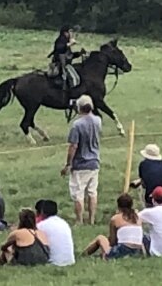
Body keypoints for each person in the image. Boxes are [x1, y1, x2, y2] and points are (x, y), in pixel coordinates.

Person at [61, 94, 101, 225]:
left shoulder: (77, 125)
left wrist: (68, 164)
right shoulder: (97, 121)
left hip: (80, 163)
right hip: (94, 161)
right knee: (92, 192)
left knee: (78, 194)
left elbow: (73, 145)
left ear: (79, 108)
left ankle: (79, 220)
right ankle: (92, 219)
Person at [82, 193, 144, 260]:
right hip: (138, 250)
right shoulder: (138, 218)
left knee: (100, 238)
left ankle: (83, 255)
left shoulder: (115, 218)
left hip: (123, 250)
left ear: (118, 205)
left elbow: (112, 242)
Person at [35, 200, 75, 266]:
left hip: (54, 262)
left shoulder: (41, 225)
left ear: (42, 212)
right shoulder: (63, 222)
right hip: (70, 261)